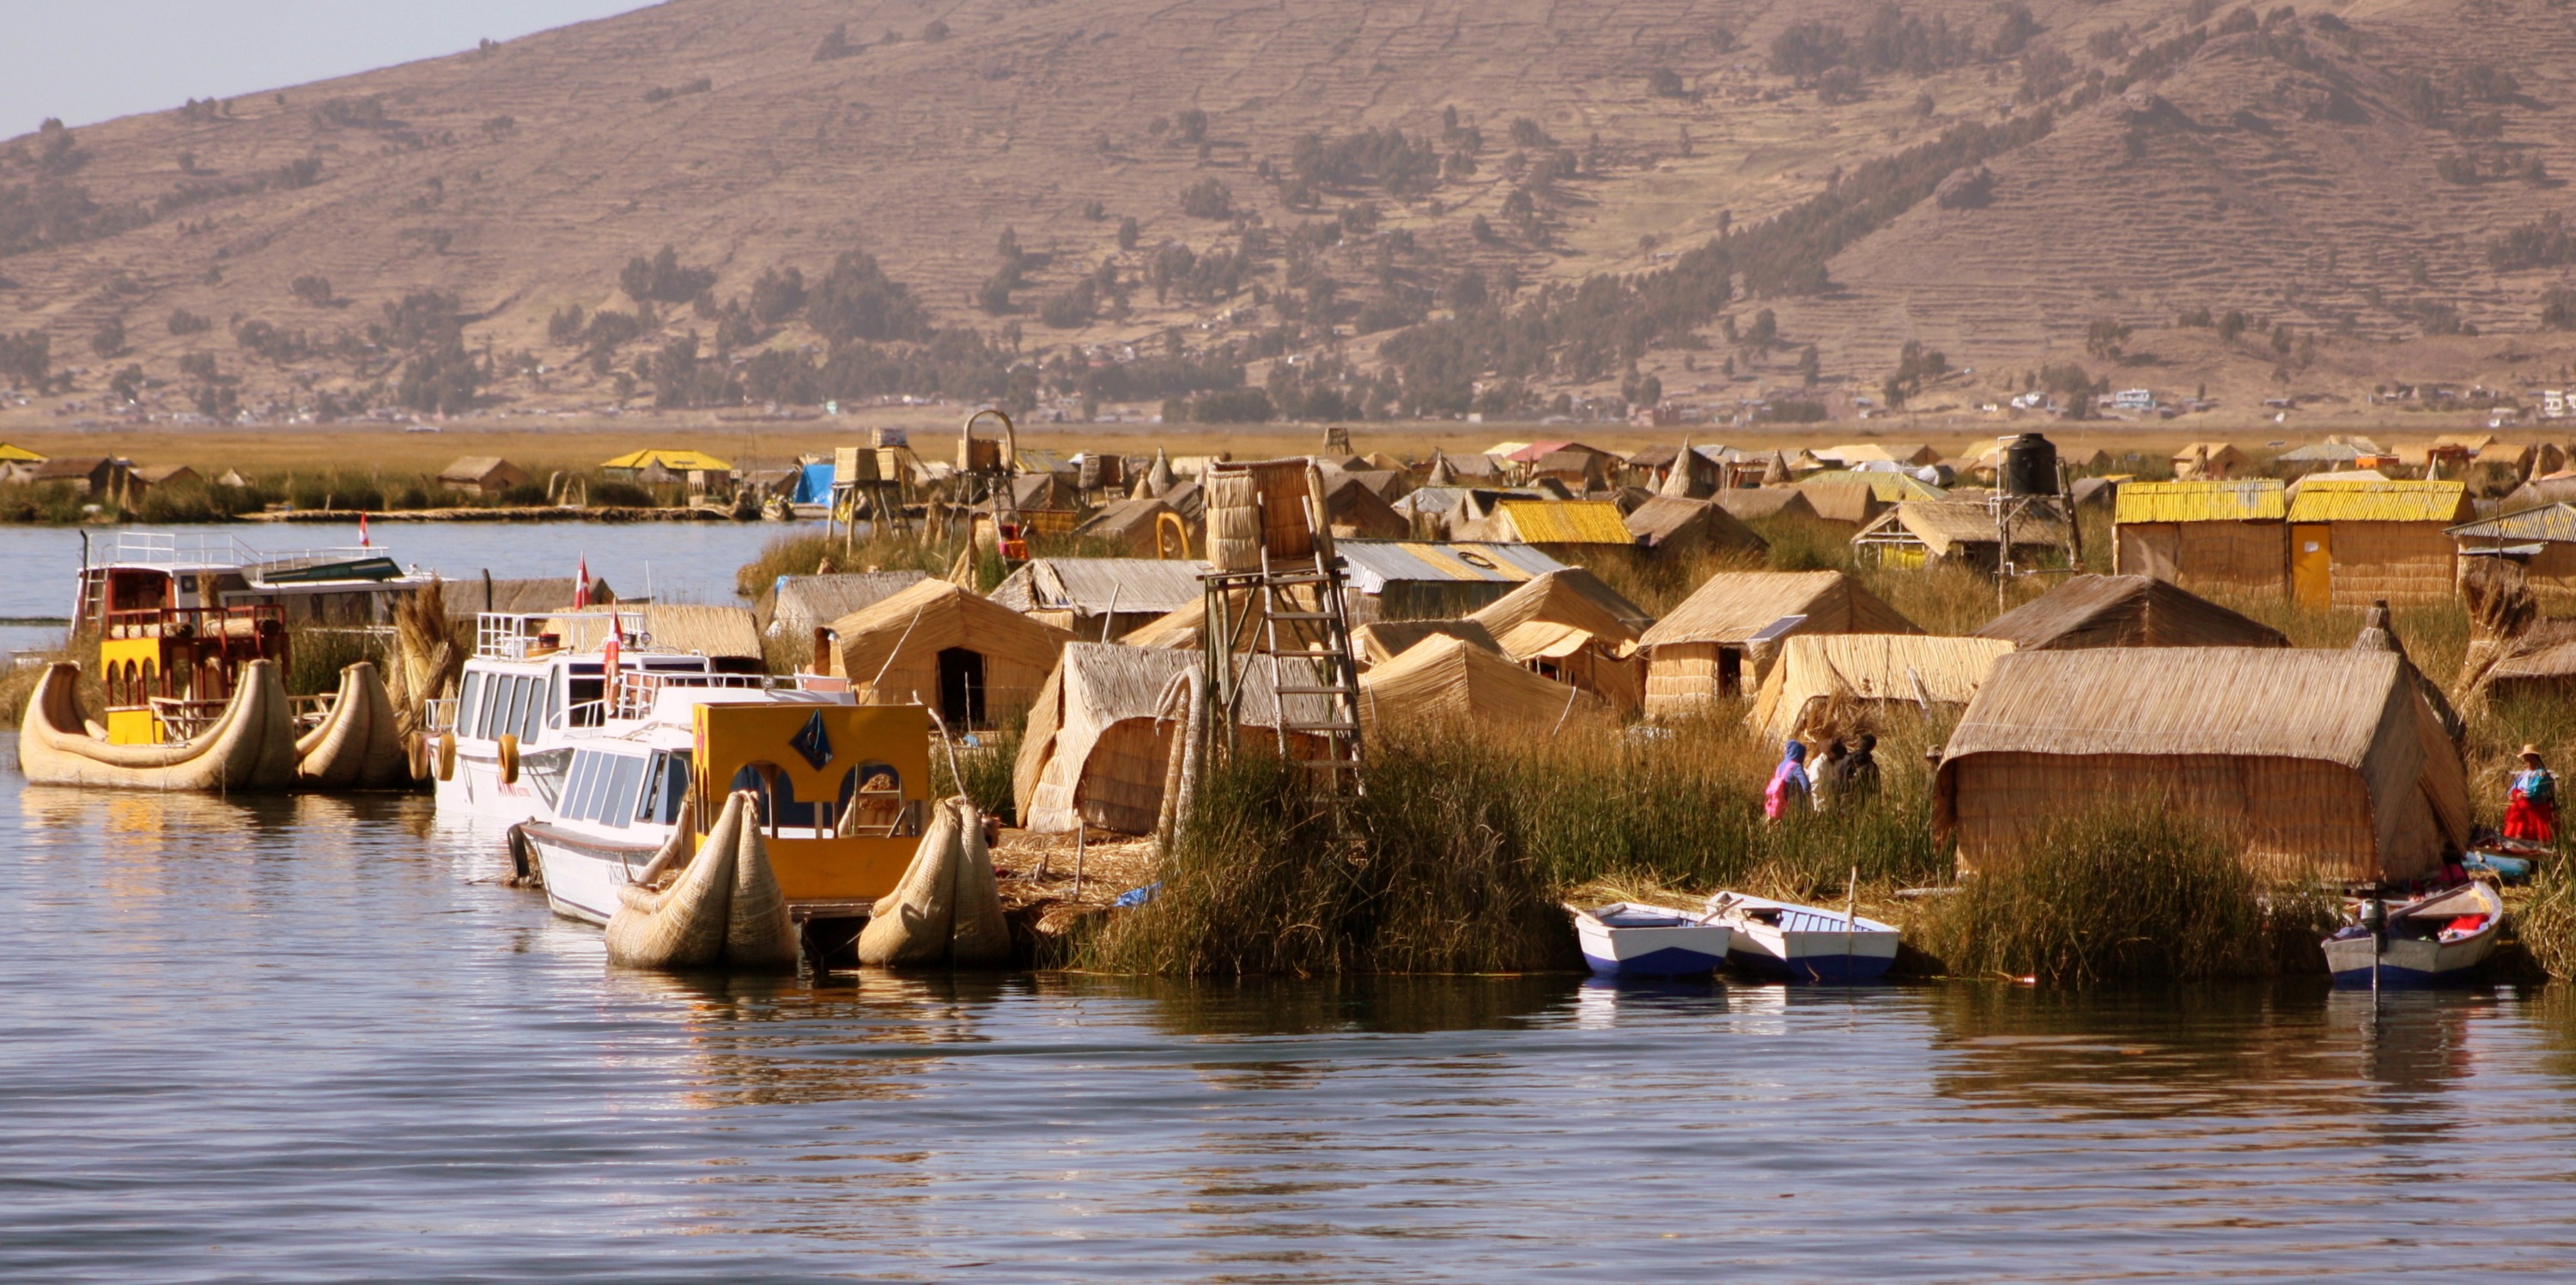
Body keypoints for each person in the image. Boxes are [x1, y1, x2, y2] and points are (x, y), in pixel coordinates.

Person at [2506, 744, 2558, 843]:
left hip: (2535, 806)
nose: (2527, 762)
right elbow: (2514, 785)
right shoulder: (2524, 773)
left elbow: (2536, 789)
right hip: (2521, 805)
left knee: (2534, 833)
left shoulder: (2540, 773)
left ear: (2536, 759)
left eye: (2530, 759)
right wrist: (2512, 794)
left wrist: (2523, 794)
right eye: (2526, 759)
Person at [1764, 740, 1813, 823]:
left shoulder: (1780, 766)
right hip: (1793, 805)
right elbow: (1806, 786)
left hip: (1779, 802)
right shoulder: (1796, 766)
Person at [1835, 734, 1882, 804]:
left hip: (1842, 802)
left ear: (1858, 744)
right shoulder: (1872, 767)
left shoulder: (1844, 760)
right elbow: (1876, 790)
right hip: (1862, 805)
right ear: (1872, 747)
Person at [1814, 740, 1849, 812]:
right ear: (1830, 754)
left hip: (1833, 804)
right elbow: (1815, 787)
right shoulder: (1819, 765)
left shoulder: (1834, 763)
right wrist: (1822, 806)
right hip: (1822, 807)